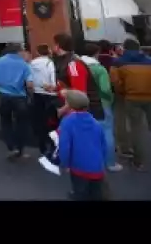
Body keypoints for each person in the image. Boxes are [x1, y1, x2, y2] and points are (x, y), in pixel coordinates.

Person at [110, 38, 151, 171]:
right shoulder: (149, 61)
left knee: (136, 128)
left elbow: (115, 82)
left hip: (131, 98)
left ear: (124, 48)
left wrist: (123, 92)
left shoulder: (118, 63)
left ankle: (139, 161)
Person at [58, 90, 107, 201]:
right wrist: (101, 162)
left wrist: (64, 164)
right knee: (96, 194)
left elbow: (65, 146)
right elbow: (103, 146)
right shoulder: (96, 123)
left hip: (78, 168)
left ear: (69, 105)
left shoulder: (68, 122)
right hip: (97, 168)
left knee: (80, 193)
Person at [81, 43, 122, 172]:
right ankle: (110, 163)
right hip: (101, 103)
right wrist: (111, 98)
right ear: (96, 53)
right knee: (107, 132)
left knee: (87, 133)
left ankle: (89, 162)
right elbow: (105, 89)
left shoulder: (78, 66)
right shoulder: (99, 69)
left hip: (84, 104)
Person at [0, 43, 33, 160]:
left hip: (3, 96)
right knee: (22, 123)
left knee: (6, 121)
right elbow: (29, 84)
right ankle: (20, 149)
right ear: (18, 51)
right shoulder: (23, 64)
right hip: (20, 97)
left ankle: (11, 146)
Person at [30, 44, 59, 155]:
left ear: (38, 52)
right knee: (51, 121)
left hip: (37, 93)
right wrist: (53, 87)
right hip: (49, 94)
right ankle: (52, 145)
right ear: (48, 52)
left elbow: (31, 78)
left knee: (40, 120)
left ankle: (42, 145)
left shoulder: (32, 63)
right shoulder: (49, 63)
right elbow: (53, 78)